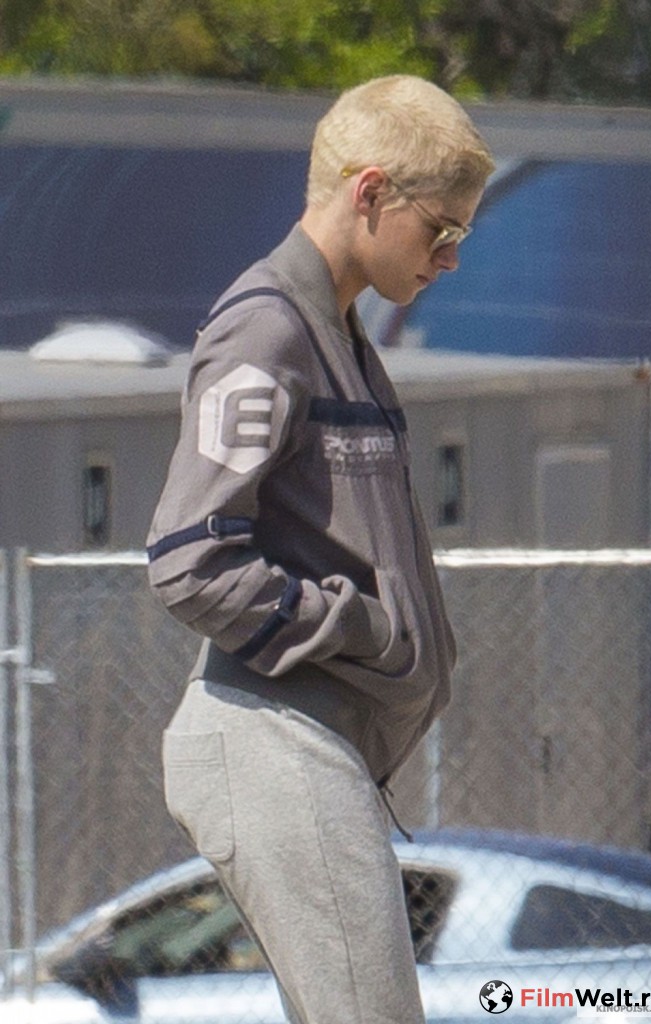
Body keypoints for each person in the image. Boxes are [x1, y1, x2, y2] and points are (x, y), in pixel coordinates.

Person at [147, 74, 494, 1024]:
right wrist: (365, 632)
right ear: (370, 191)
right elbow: (188, 559)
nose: (450, 259)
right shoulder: (269, 327)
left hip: (315, 742)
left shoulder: (338, 331)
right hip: (274, 738)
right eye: (443, 230)